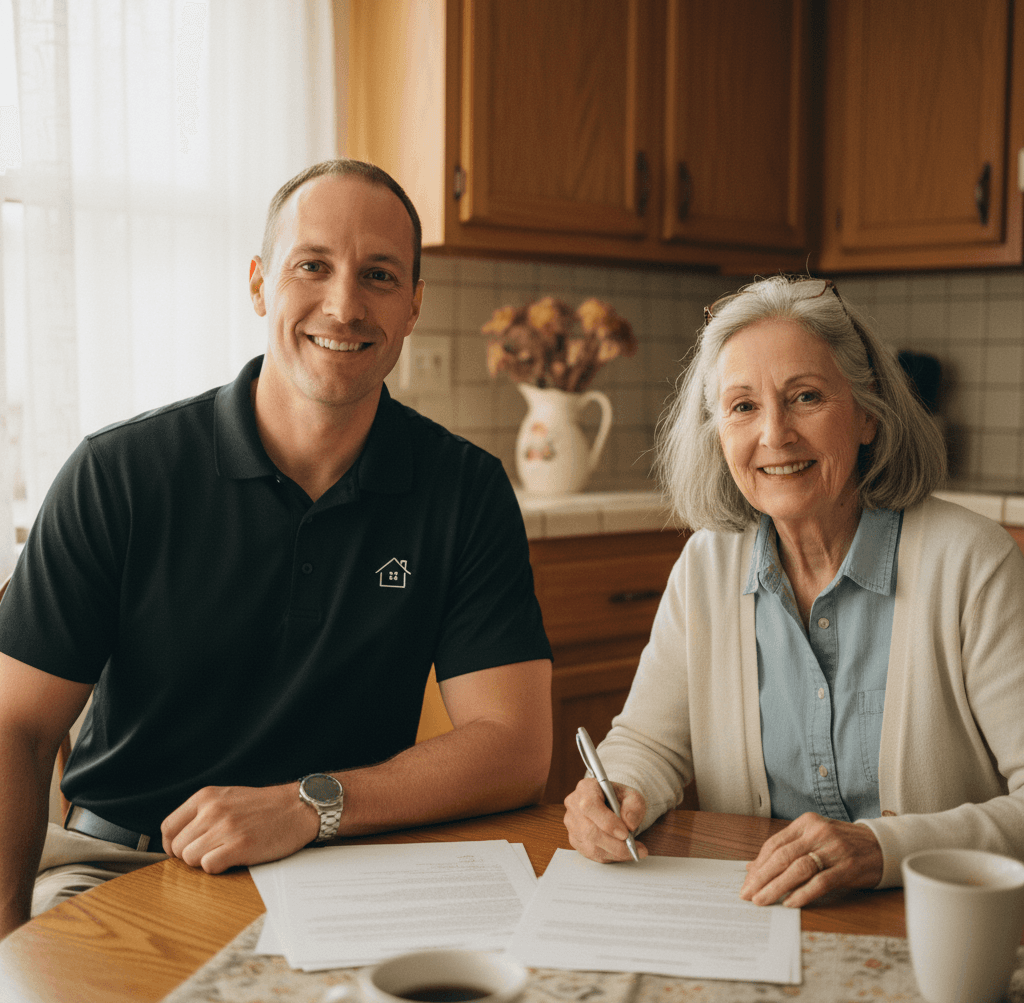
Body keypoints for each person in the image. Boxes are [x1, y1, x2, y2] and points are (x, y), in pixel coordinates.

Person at [0, 159, 553, 941]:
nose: (345, 304)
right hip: (122, 866)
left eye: (380, 275)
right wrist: (5, 947)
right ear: (260, 284)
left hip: (349, 866)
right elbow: (12, 725)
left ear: (414, 306)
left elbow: (516, 750)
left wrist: (307, 805)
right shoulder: (118, 473)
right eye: (313, 266)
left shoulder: (465, 490)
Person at [564, 274, 1024, 908]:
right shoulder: (706, 565)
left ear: (868, 415)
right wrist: (616, 791)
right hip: (760, 916)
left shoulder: (973, 562)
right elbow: (650, 744)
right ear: (718, 432)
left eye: (806, 397)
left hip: (933, 923)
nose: (774, 434)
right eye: (743, 406)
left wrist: (881, 848)